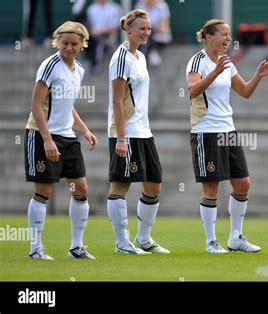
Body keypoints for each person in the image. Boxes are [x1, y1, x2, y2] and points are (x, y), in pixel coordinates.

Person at [186, 19, 268, 253]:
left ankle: (235, 238)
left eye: (229, 34)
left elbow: (244, 91)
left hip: (228, 130)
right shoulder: (198, 61)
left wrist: (257, 75)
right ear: (209, 36)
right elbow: (193, 90)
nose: (228, 38)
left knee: (243, 183)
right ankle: (210, 242)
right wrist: (215, 72)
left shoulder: (228, 64)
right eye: (224, 34)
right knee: (211, 188)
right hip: (206, 131)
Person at [24, 21, 97, 260]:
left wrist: (85, 130)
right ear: (57, 42)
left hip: (67, 137)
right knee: (44, 190)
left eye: (74, 44)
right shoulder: (49, 66)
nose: (68, 47)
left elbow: (68, 105)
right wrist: (47, 140)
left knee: (81, 189)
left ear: (82, 45)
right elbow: (36, 105)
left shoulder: (79, 70)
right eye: (64, 43)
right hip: (42, 135)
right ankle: (35, 248)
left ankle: (76, 247)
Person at [107, 9, 169, 255]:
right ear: (128, 29)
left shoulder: (141, 57)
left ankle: (144, 239)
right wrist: (121, 138)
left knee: (154, 185)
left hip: (144, 131)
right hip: (127, 132)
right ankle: (122, 242)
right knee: (120, 185)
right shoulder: (120, 58)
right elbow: (116, 101)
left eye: (149, 28)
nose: (146, 32)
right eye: (141, 28)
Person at [86, 0, 122, 74]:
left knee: (99, 42)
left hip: (110, 37)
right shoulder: (91, 9)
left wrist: (99, 32)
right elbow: (90, 27)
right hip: (94, 36)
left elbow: (113, 30)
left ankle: (96, 65)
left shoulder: (115, 8)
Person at [135, 0, 172, 66]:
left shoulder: (162, 6)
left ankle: (151, 54)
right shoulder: (140, 5)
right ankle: (153, 53)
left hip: (159, 37)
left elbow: (162, 27)